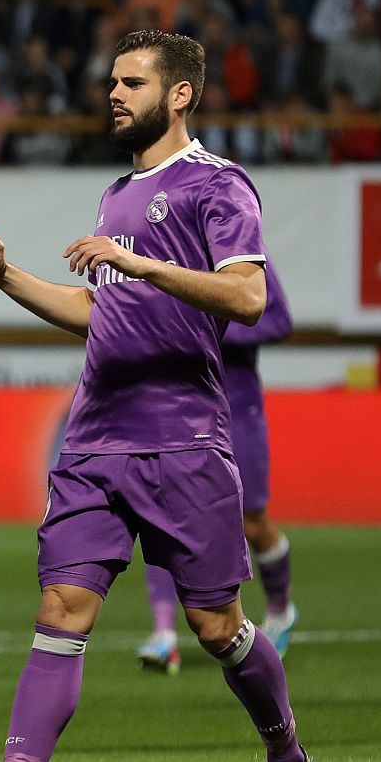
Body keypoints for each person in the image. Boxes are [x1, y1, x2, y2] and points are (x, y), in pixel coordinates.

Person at [0, 29, 314, 762]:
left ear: (179, 94)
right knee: (61, 612)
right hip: (97, 439)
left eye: (132, 82)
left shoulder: (218, 186)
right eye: (112, 80)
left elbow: (247, 295)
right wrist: (8, 278)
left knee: (217, 628)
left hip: (183, 439)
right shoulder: (113, 195)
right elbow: (103, 312)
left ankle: (288, 761)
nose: (114, 93)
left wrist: (140, 263)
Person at [140, 256, 294, 672]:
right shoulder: (163, 255)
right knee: (163, 516)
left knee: (251, 522)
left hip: (236, 404)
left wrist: (209, 317)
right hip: (180, 407)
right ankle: (163, 632)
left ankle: (280, 610)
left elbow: (278, 319)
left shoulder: (242, 257)